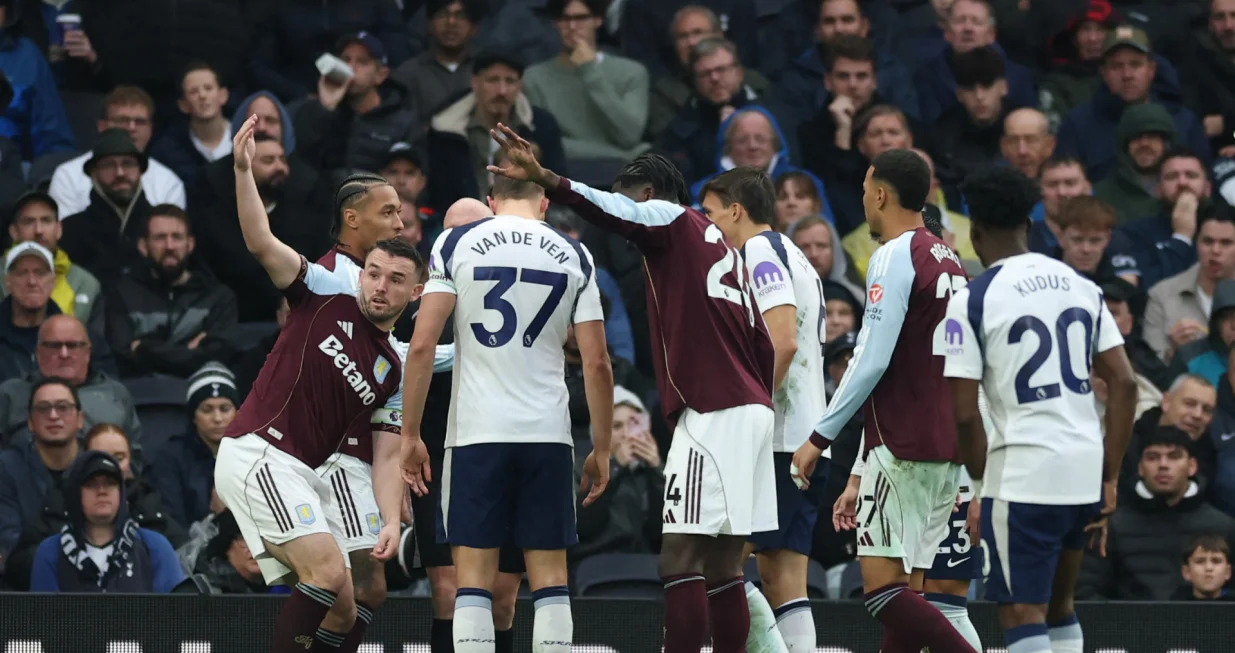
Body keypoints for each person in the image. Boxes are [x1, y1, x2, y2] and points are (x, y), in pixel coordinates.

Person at [486, 124, 776, 653]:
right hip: (752, 408)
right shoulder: (724, 251)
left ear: (646, 194)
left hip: (714, 412)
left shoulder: (671, 217)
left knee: (679, 560)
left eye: (628, 199)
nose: (622, 216)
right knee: (723, 565)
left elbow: (612, 211)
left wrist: (546, 179)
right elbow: (765, 344)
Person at [214, 115, 415, 653]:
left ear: (414, 295)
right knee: (328, 573)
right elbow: (260, 241)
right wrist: (242, 170)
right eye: (375, 273)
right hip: (261, 449)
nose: (401, 221)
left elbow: (392, 451)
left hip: (301, 469)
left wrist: (392, 515)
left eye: (396, 280)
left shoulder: (394, 365)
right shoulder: (328, 286)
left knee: (348, 603)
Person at [401, 169, 614, 653]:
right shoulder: (575, 253)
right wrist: (601, 447)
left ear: (491, 201)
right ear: (543, 204)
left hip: (477, 432)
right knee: (550, 581)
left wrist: (410, 435)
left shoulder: (456, 244)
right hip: (548, 434)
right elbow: (598, 363)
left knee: (472, 581)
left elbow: (421, 346)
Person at [942, 165, 1138, 653]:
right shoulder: (1083, 287)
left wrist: (983, 487)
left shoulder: (973, 298)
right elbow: (1126, 383)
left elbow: (965, 415)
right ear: (1029, 225)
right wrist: (1109, 475)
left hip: (1024, 472)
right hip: (1082, 467)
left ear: (976, 232)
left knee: (1020, 610)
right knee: (1059, 605)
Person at [789, 149, 976, 653]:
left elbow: (870, 360)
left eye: (866, 192)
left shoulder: (893, 254)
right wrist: (858, 470)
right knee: (909, 596)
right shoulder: (945, 254)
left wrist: (818, 436)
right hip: (942, 446)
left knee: (882, 592)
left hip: (905, 443)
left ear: (879, 194)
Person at [698, 167, 826, 653]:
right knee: (784, 578)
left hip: (776, 439)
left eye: (711, 215)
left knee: (716, 565)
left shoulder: (759, 252)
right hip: (806, 436)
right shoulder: (796, 255)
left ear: (736, 210)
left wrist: (749, 408)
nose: (708, 227)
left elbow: (784, 341)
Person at [29, 450, 184, 593]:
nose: (102, 491)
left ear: (121, 492)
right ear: (76, 493)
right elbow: (43, 619)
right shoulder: (50, 552)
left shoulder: (155, 547)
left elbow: (174, 615)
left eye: (110, 483)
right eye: (91, 484)